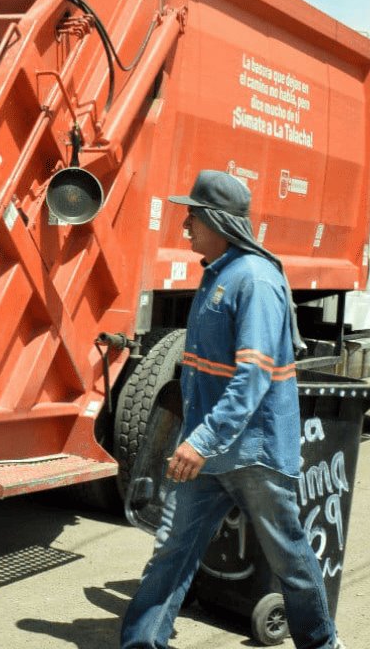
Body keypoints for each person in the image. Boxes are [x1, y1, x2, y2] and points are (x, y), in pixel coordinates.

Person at [119, 170, 343, 649]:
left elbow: (253, 376)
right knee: (173, 551)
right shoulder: (219, 274)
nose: (186, 227)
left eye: (193, 218)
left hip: (252, 452)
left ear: (218, 222)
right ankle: (142, 643)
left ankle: (323, 645)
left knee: (289, 559)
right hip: (211, 449)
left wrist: (201, 440)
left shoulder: (255, 280)